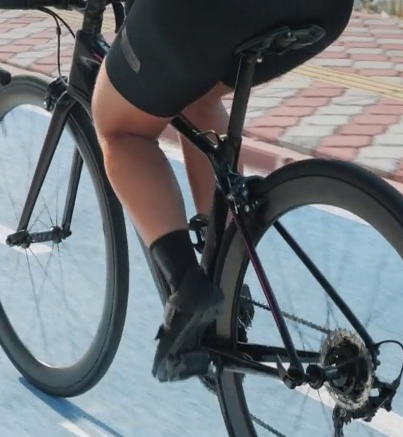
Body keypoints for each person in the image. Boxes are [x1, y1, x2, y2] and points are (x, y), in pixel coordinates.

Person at [91, 0, 354, 382]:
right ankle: (227, 273)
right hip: (327, 11)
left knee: (118, 126)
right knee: (198, 90)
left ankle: (190, 291)